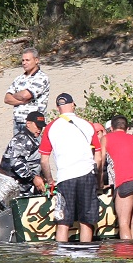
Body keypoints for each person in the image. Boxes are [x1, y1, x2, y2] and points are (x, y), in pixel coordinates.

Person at [39, 92, 104, 244]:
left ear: (57, 108)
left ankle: (62, 255)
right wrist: (98, 179)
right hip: (87, 175)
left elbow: (44, 160)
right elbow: (99, 157)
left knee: (63, 221)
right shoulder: (87, 125)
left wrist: (50, 180)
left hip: (65, 177)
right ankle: (86, 254)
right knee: (86, 221)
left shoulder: (50, 127)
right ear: (73, 105)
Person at [103, 115, 133, 241]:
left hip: (125, 180)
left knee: (124, 223)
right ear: (127, 128)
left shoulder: (106, 138)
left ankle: (127, 251)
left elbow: (101, 160)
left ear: (111, 128)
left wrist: (99, 181)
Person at [3, 47, 49, 136]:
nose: (24, 63)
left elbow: (25, 95)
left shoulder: (41, 78)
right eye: (23, 60)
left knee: (33, 145)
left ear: (36, 60)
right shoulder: (19, 79)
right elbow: (7, 99)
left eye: (27, 60)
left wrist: (16, 96)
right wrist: (22, 101)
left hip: (34, 123)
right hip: (17, 122)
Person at [0, 110, 46, 193]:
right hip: (14, 186)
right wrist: (33, 178)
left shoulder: (32, 138)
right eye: (37, 126)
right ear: (28, 124)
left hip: (25, 185)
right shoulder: (22, 139)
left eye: (41, 127)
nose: (39, 129)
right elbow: (16, 162)